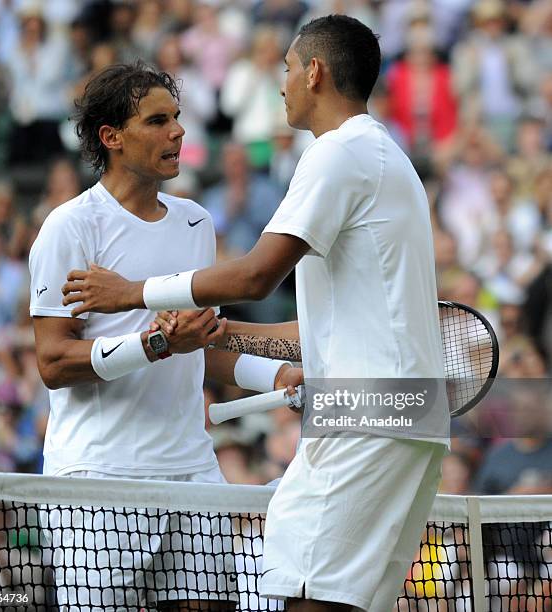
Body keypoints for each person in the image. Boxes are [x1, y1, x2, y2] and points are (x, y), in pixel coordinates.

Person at [61, 16, 450, 612]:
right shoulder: (385, 156)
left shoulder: (338, 153)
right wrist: (219, 335)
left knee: (303, 595)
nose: (283, 82)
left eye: (288, 68)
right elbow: (315, 332)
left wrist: (132, 292)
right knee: (342, 601)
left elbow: (255, 274)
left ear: (314, 72)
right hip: (406, 409)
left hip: (364, 408)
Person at [29, 61, 301, 611]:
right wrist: (155, 345)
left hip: (191, 469)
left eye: (177, 117)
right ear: (111, 138)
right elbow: (54, 362)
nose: (178, 131)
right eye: (158, 121)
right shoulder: (70, 227)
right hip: (98, 479)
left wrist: (273, 373)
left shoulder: (197, 222)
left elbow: (201, 346)